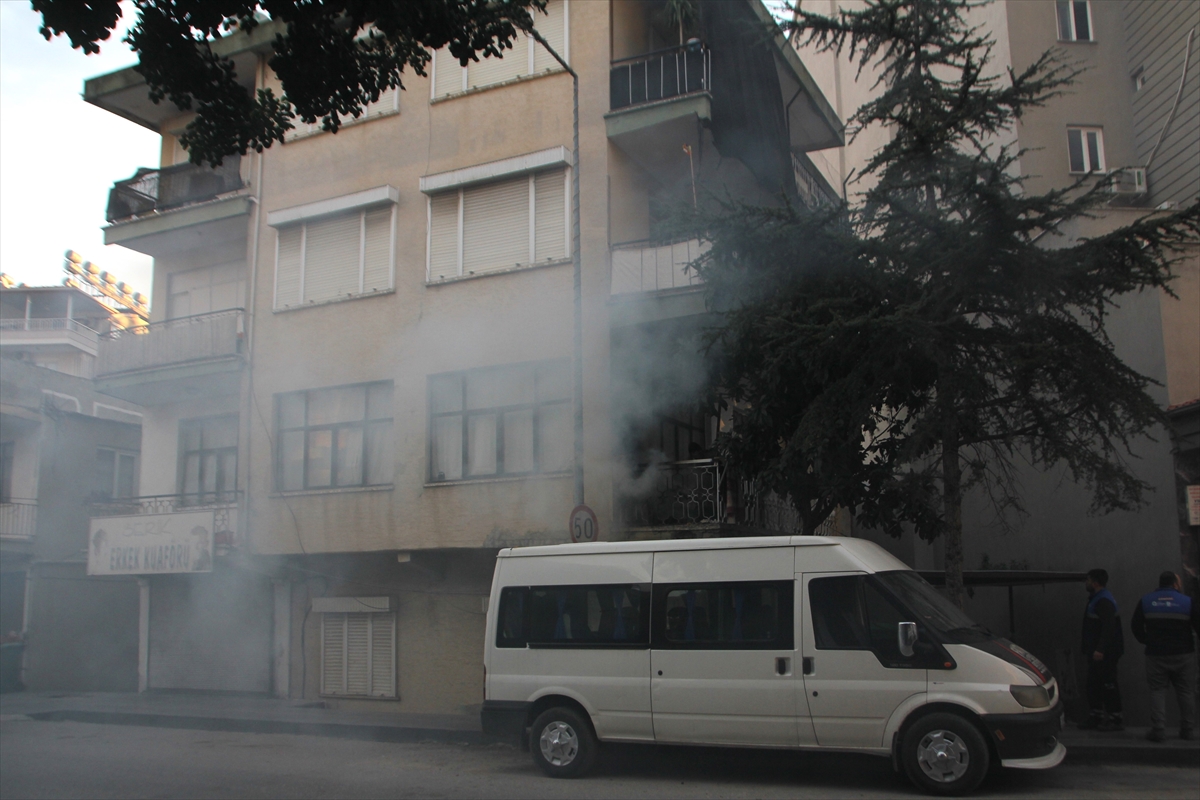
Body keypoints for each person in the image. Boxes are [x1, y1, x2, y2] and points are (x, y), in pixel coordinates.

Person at [1131, 571, 1199, 742]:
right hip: (1184, 655)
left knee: (1157, 691)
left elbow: (1135, 626)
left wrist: (1147, 641)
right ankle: (1187, 730)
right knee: (1185, 692)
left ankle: (1159, 730)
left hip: (1156, 655)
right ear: (1175, 584)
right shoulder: (1187, 602)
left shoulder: (1146, 601)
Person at [1080, 568, 1124, 731]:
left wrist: (1100, 649)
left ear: (1095, 582)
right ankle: (1096, 715)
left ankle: (1115, 718)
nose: (1086, 583)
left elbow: (1109, 627)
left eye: (1088, 580)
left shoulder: (1102, 601)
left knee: (1107, 684)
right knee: (1094, 684)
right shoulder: (1097, 598)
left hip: (1105, 654)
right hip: (1099, 652)